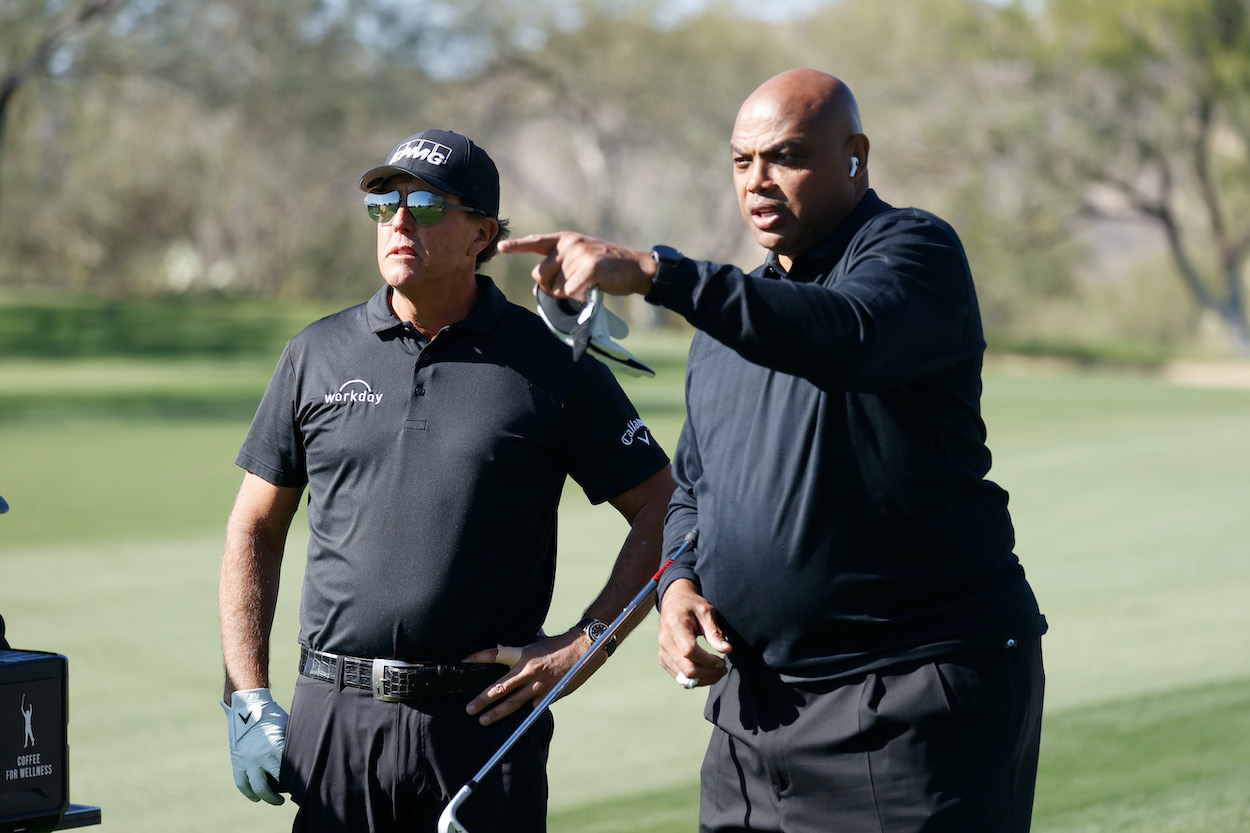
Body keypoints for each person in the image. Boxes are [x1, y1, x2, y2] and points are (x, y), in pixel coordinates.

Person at [499, 69, 1048, 833]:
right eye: (740, 160)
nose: (757, 181)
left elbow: (843, 335)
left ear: (855, 155)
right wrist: (678, 586)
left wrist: (660, 274)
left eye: (786, 156)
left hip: (910, 700)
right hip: (756, 717)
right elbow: (693, 493)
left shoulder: (914, 252)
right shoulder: (729, 330)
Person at [217, 128, 673, 833]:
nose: (399, 220)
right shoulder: (315, 353)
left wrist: (587, 642)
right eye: (384, 202)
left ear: (480, 233)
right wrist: (244, 693)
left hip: (480, 729)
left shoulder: (552, 365)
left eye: (426, 204)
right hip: (332, 723)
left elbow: (665, 506)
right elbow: (255, 525)